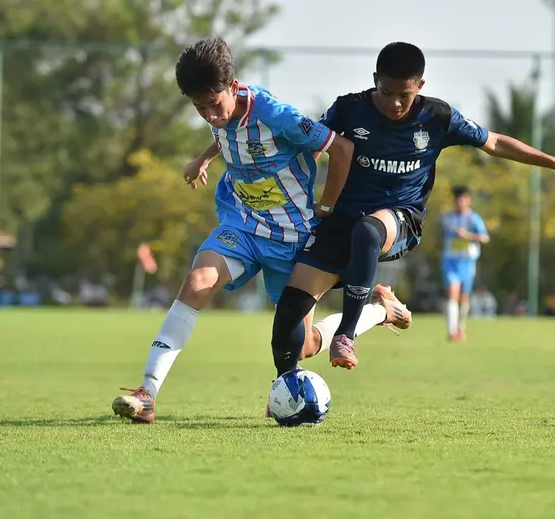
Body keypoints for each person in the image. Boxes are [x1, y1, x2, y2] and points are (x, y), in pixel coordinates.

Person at [111, 37, 400, 424]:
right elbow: (226, 132)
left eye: (214, 105)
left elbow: (341, 149)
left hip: (294, 239)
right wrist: (203, 156)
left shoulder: (275, 114)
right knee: (197, 281)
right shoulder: (221, 113)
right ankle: (148, 393)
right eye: (199, 109)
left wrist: (328, 205)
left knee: (305, 346)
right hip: (243, 225)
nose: (210, 115)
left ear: (232, 87)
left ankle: (380, 311)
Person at [269, 41, 555, 371]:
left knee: (368, 231)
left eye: (405, 95)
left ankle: (346, 336)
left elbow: (495, 142)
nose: (395, 103)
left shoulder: (437, 117)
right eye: (386, 93)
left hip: (399, 218)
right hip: (340, 221)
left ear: (420, 87)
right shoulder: (349, 109)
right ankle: (370, 317)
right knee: (292, 331)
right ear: (374, 80)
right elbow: (313, 146)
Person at [441, 186, 489, 341]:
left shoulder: (474, 218)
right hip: (450, 259)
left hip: (467, 261)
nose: (460, 202)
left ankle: (461, 328)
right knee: (452, 293)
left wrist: (467, 236)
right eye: (457, 199)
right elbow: (442, 236)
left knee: (464, 296)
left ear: (468, 200)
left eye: (463, 199)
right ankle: (451, 331)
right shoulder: (447, 218)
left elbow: (484, 238)